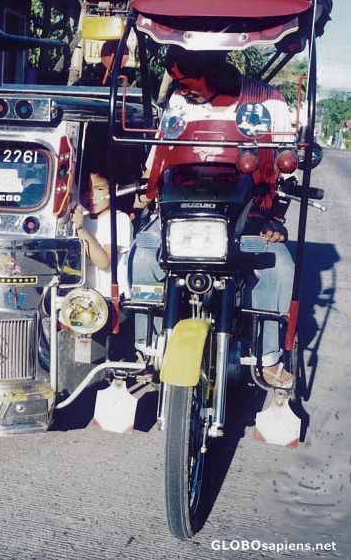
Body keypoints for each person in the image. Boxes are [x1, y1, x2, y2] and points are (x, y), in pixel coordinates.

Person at [133, 47, 295, 388]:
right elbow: (161, 152)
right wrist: (145, 192)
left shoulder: (271, 101)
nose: (181, 88)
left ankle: (268, 357)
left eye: (187, 81)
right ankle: (145, 350)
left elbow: (286, 167)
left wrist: (274, 219)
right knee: (142, 254)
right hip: (180, 217)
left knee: (279, 266)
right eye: (178, 82)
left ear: (215, 73)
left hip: (245, 217)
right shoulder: (180, 100)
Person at [71, 171, 133, 299]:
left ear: (114, 189)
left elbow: (103, 262)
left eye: (99, 189)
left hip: (109, 299)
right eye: (86, 189)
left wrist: (81, 230)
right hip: (83, 296)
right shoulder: (82, 219)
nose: (91, 195)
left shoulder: (120, 220)